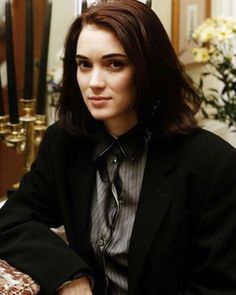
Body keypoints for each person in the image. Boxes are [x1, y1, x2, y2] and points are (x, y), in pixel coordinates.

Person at [0, 0, 236, 294]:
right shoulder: (64, 143)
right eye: (84, 65)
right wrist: (69, 277)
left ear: (149, 69)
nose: (94, 82)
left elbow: (216, 288)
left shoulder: (212, 163)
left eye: (115, 64)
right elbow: (12, 218)